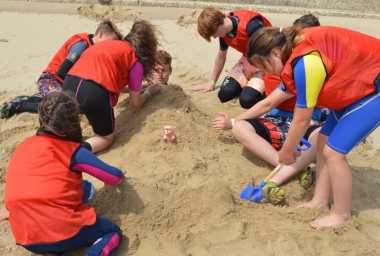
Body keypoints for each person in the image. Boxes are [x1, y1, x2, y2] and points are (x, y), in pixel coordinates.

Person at [245, 25, 380, 229]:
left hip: (374, 88)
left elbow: (302, 118)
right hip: (356, 89)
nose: (265, 72)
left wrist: (287, 151)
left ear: (274, 53)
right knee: (323, 141)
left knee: (333, 152)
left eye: (264, 66)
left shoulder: (306, 62)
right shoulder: (294, 55)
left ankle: (342, 214)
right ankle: (320, 201)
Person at [212, 14, 322, 205]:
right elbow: (267, 104)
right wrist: (233, 122)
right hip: (277, 119)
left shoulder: (310, 65)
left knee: (322, 136)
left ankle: (284, 171)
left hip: (306, 122)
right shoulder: (279, 64)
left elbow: (307, 115)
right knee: (240, 127)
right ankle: (292, 166)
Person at [4, 91, 125, 255]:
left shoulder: (24, 145)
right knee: (113, 231)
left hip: (24, 236)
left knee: (83, 187)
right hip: (58, 230)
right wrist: (120, 173)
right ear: (74, 122)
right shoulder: (72, 151)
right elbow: (113, 178)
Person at [63, 20, 161, 153]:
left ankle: (63, 147)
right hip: (94, 93)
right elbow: (135, 103)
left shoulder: (109, 46)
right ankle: (76, 153)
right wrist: (148, 92)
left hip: (69, 83)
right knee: (105, 138)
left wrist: (136, 88)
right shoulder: (135, 61)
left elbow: (106, 77)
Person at [0, 19, 123, 119]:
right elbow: (62, 71)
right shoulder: (81, 46)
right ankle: (21, 105)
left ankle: (35, 99)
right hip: (50, 79)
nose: (110, 48)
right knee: (66, 107)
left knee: (77, 104)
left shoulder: (95, 50)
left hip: (61, 83)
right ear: (100, 34)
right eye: (110, 43)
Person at [192, 7, 275, 110]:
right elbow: (221, 57)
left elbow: (274, 50)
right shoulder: (224, 33)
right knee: (224, 95)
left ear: (215, 27)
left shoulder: (251, 26)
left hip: (265, 64)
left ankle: (256, 88)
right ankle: (249, 85)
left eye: (212, 34)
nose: (214, 37)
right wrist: (212, 83)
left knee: (246, 101)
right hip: (247, 60)